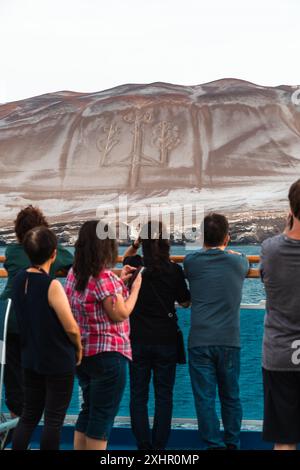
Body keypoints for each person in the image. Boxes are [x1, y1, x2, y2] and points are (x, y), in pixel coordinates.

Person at [65, 220, 142, 451]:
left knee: (87, 411)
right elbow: (120, 313)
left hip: (84, 354)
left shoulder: (74, 273)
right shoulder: (104, 278)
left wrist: (120, 278)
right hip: (108, 356)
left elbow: (97, 291)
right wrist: (136, 286)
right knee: (102, 419)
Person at [0, 205, 73, 421]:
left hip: (7, 320)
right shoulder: (49, 254)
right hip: (30, 323)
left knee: (14, 380)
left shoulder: (12, 252)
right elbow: (69, 260)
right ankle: (29, 424)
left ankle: (16, 425)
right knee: (36, 379)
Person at [11, 226, 82, 450]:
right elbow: (71, 327)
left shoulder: (19, 279)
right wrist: (78, 348)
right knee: (53, 420)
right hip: (57, 361)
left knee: (29, 415)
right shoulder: (51, 285)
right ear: (53, 253)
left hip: (30, 359)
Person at [123, 220, 190, 450]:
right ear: (165, 241)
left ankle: (143, 444)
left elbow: (126, 257)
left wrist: (135, 244)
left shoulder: (133, 266)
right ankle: (159, 445)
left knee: (138, 395)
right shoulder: (173, 269)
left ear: (144, 242)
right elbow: (185, 301)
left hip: (137, 340)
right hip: (166, 340)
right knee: (164, 396)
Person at [184, 213, 249, 450]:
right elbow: (243, 260)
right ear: (227, 237)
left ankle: (213, 445)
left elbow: (195, 260)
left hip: (199, 340)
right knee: (231, 396)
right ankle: (232, 443)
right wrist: (234, 253)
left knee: (205, 399)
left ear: (202, 237)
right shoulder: (239, 262)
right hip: (229, 340)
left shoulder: (190, 262)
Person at [260, 179, 300, 451]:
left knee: (284, 441)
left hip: (281, 354)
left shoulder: (270, 249)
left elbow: (266, 276)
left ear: (291, 209)